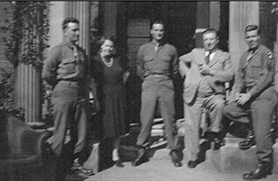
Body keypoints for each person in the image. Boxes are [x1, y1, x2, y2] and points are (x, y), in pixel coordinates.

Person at [223, 25, 278, 180]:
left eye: (254, 36)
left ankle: (264, 165)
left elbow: (266, 78)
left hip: (263, 95)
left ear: (259, 37)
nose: (251, 39)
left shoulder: (266, 53)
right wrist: (234, 94)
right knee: (228, 110)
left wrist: (249, 94)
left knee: (263, 133)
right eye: (248, 37)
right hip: (249, 96)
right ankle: (252, 129)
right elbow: (240, 78)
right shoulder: (244, 56)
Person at [42, 17, 93, 179]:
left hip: (79, 94)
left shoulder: (81, 51)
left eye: (78, 30)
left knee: (82, 131)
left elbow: (85, 74)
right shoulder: (58, 50)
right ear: (65, 32)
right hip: (63, 91)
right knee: (60, 132)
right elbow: (47, 73)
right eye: (74, 30)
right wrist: (56, 87)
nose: (77, 33)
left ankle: (75, 164)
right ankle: (54, 169)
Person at [179, 28, 234, 169]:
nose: (208, 42)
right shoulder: (196, 53)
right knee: (192, 126)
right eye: (206, 40)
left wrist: (211, 71)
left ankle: (214, 131)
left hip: (213, 95)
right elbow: (181, 60)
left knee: (220, 105)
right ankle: (193, 157)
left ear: (217, 40)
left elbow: (230, 75)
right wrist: (187, 77)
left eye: (211, 39)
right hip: (194, 95)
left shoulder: (224, 56)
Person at [132, 20, 182, 167]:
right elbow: (139, 68)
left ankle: (173, 150)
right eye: (156, 30)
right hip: (149, 83)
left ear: (163, 32)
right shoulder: (143, 49)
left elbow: (174, 70)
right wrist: (149, 79)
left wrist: (164, 79)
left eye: (161, 30)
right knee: (146, 117)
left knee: (169, 118)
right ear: (151, 32)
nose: (159, 33)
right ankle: (142, 149)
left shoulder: (171, 49)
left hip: (166, 83)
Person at [91, 36, 130, 168]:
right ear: (101, 46)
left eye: (111, 46)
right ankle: (103, 155)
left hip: (118, 95)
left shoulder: (117, 59)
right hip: (103, 96)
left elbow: (126, 72)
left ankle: (115, 155)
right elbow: (92, 82)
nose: (109, 48)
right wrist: (95, 99)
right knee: (105, 126)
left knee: (118, 126)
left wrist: (121, 86)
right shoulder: (95, 61)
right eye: (106, 46)